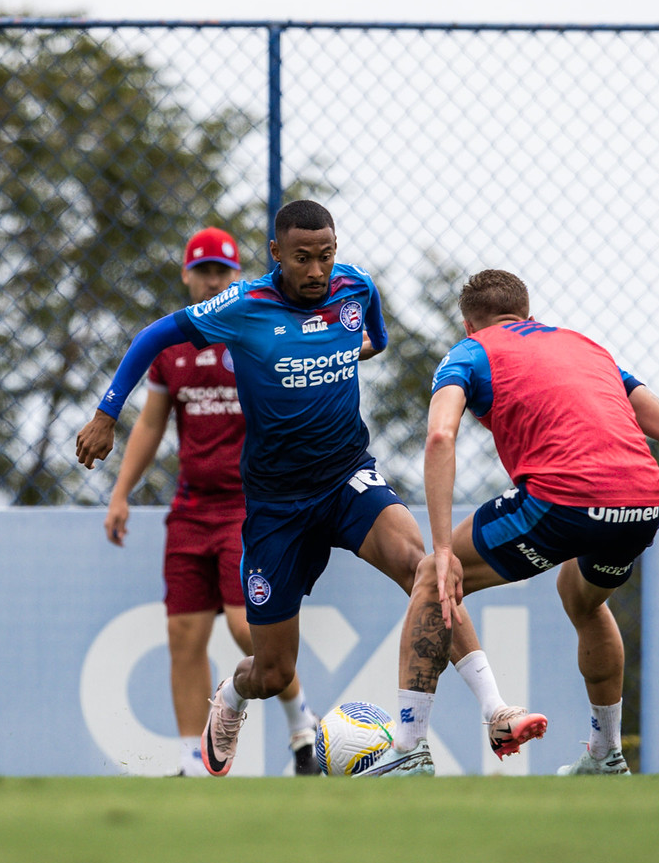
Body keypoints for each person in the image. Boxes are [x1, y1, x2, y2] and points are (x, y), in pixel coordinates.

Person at [76, 201, 540, 777]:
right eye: (302, 258)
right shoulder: (243, 305)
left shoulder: (355, 288)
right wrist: (105, 414)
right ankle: (232, 698)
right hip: (275, 505)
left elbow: (376, 337)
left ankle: (495, 709)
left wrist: (347, 352)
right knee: (270, 671)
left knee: (423, 567)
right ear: (275, 255)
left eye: (325, 255)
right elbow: (154, 336)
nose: (317, 270)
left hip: (347, 476)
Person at [401, 269, 659, 776]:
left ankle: (409, 752)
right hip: (639, 506)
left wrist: (442, 550)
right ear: (528, 313)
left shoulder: (471, 352)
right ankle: (606, 754)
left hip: (561, 502)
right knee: (581, 596)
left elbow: (440, 438)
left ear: (467, 324)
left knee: (432, 580)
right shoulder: (586, 348)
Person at [103, 228, 320, 776]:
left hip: (248, 509)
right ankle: (191, 757)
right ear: (186, 275)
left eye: (222, 271)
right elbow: (151, 424)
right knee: (183, 634)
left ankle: (302, 728)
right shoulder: (172, 347)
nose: (212, 281)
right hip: (190, 510)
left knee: (247, 628)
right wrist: (121, 492)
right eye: (203, 271)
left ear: (237, 274)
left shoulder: (251, 330)